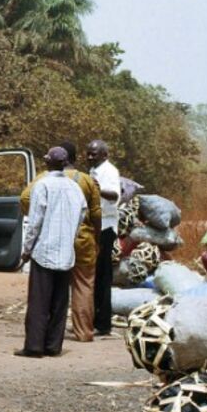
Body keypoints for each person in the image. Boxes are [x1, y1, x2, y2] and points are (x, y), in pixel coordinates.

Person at [20, 141, 102, 342]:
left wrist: (28, 246)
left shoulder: (41, 181)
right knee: (80, 288)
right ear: (72, 159)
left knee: (41, 296)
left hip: (47, 246)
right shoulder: (84, 182)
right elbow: (94, 213)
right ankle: (81, 334)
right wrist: (95, 237)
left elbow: (26, 202)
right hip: (79, 243)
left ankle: (36, 342)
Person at [15, 147, 86, 358]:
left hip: (44, 251)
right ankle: (54, 345)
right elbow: (83, 214)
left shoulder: (43, 185)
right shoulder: (75, 188)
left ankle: (34, 346)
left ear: (49, 162)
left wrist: (27, 249)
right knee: (59, 303)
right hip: (66, 253)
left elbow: (35, 221)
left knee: (39, 302)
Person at [87, 139, 120, 336]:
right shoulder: (92, 171)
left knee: (102, 275)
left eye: (94, 154)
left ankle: (103, 322)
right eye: (89, 153)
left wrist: (97, 188)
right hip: (94, 226)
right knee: (94, 274)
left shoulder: (109, 171)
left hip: (106, 227)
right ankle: (93, 318)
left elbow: (114, 195)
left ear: (104, 155)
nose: (90, 157)